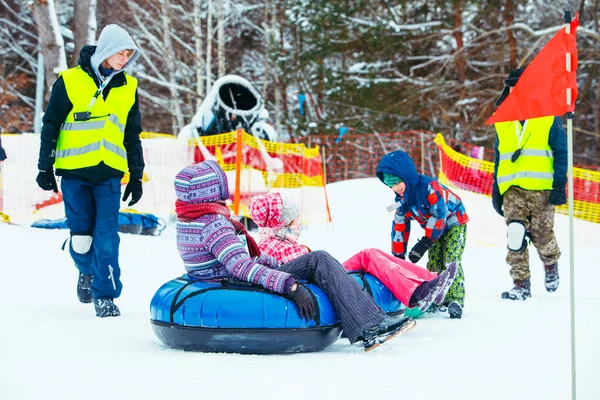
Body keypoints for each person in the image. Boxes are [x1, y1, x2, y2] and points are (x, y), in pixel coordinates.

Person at [174, 160, 416, 352]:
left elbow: (239, 257)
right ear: (210, 189)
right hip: (235, 282)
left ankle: (368, 319)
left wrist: (275, 264)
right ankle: (370, 326)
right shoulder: (214, 225)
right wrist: (289, 285)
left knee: (315, 261)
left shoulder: (190, 218)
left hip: (221, 277)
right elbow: (241, 268)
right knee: (319, 259)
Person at [35, 24, 145, 317]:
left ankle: (105, 294)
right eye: (121, 52)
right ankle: (85, 271)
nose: (125, 59)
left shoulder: (129, 87)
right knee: (82, 238)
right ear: (107, 50)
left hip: (109, 174)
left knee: (107, 236)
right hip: (74, 173)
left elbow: (132, 135)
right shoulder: (70, 81)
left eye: (129, 54)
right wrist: (45, 166)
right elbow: (51, 124)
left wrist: (136, 175)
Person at [249, 191, 457, 313]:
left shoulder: (278, 239)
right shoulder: (270, 246)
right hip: (324, 281)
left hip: (324, 273)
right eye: (295, 220)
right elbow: (298, 271)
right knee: (369, 256)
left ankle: (430, 280)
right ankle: (419, 294)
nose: (298, 225)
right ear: (281, 223)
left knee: (371, 253)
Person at [492, 68, 566, 301]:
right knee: (515, 234)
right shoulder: (502, 120)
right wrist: (496, 189)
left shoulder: (549, 117)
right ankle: (521, 284)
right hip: (512, 188)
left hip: (542, 189)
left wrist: (558, 186)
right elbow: (499, 157)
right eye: (512, 87)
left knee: (542, 235)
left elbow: (562, 152)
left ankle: (551, 263)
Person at [376, 150, 469, 319]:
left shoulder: (430, 187)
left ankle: (455, 299)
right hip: (433, 230)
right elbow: (399, 226)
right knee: (434, 262)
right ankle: (435, 296)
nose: (396, 188)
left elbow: (439, 214)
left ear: (407, 175)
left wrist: (424, 243)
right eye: (391, 185)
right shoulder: (401, 201)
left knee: (450, 258)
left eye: (397, 182)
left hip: (454, 221)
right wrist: (398, 256)